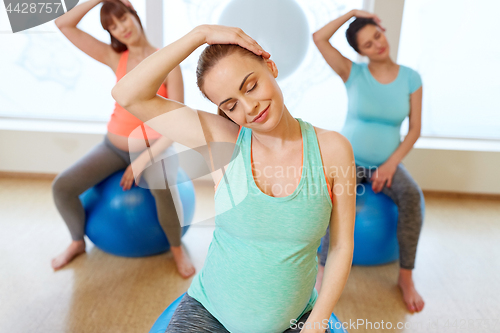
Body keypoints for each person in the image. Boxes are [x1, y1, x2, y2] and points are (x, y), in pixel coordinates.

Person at [111, 25, 356, 332]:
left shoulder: (333, 150)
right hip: (210, 311)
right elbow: (127, 94)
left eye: (250, 86)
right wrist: (199, 35)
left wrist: (318, 320)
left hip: (296, 319)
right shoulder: (221, 140)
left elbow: (341, 246)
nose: (249, 107)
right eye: (231, 105)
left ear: (270, 65)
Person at [51, 0, 195, 279]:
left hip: (155, 148)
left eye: (122, 19)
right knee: (62, 187)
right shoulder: (116, 57)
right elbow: (63, 24)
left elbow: (176, 127)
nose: (120, 29)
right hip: (113, 147)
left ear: (134, 15)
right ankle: (77, 242)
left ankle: (177, 249)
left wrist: (142, 160)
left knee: (163, 186)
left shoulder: (167, 62)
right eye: (112, 27)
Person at [313, 9, 425, 313]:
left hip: (387, 162)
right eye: (367, 44)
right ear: (359, 52)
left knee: (412, 196)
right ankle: (321, 270)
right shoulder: (353, 72)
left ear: (382, 30)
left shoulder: (411, 78)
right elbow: (318, 38)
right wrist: (350, 13)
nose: (377, 45)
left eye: (377, 35)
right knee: (328, 196)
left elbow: (414, 129)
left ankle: (406, 277)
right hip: (348, 158)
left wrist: (390, 165)